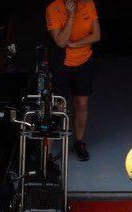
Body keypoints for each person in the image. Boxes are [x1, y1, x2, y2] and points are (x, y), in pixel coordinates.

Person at [46, 0, 100, 161]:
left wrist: (75, 44)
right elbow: (61, 42)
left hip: (85, 62)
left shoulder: (88, 4)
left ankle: (79, 142)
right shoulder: (53, 8)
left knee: (81, 104)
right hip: (61, 64)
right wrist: (70, 16)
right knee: (59, 107)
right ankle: (47, 152)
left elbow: (97, 35)